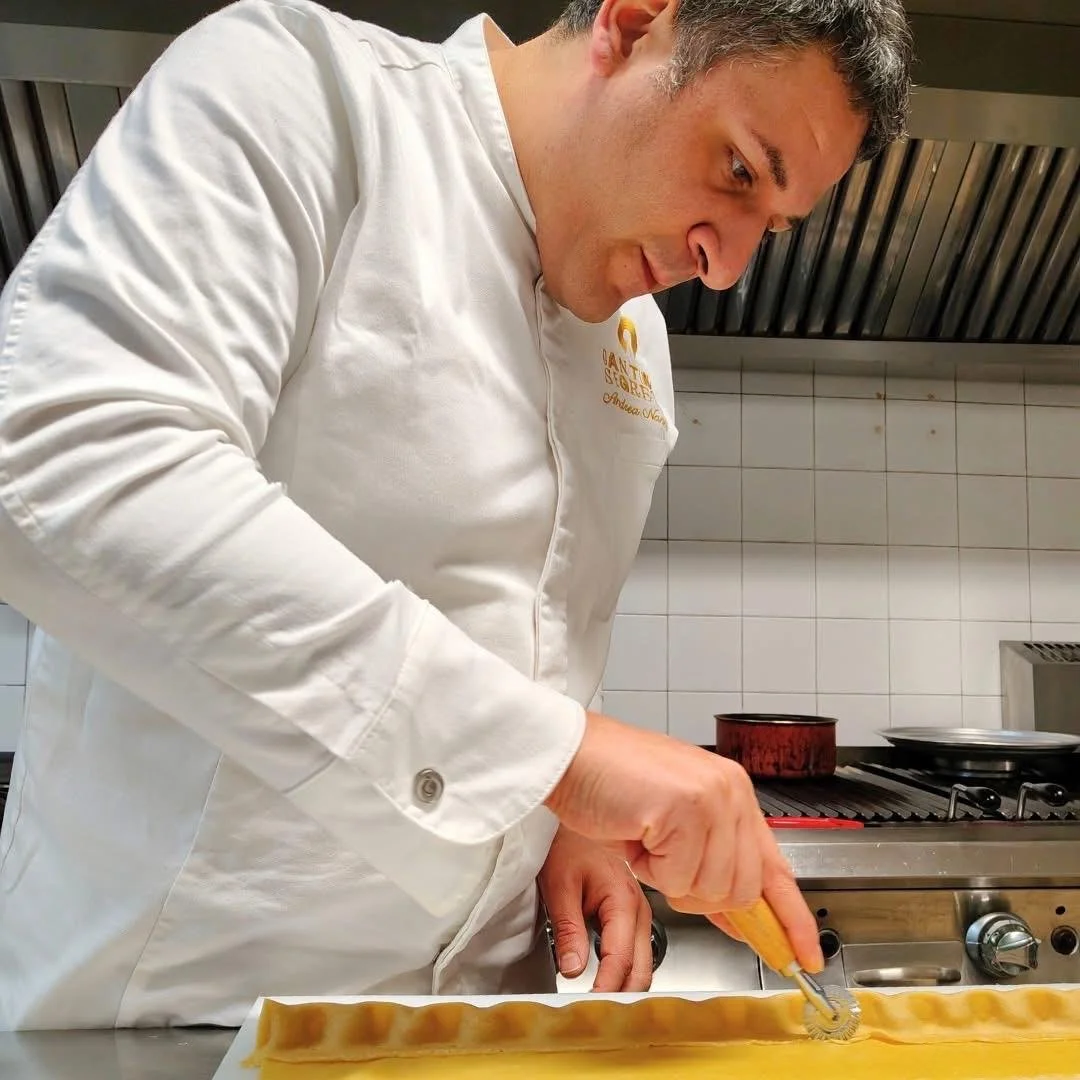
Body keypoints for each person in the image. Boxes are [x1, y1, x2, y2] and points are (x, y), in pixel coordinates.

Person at [0, 0, 911, 1029]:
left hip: (476, 1032)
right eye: (739, 169)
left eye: (773, 226)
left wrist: (558, 823)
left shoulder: (637, 345)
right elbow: (52, 464)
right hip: (176, 1023)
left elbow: (523, 659)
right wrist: (558, 761)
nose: (728, 264)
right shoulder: (301, 95)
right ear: (636, 21)